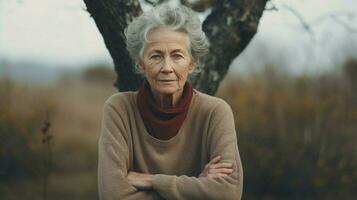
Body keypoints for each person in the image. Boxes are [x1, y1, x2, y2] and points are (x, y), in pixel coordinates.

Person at [98, 3, 243, 200]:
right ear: (141, 64)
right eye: (156, 56)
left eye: (177, 56)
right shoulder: (119, 109)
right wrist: (198, 187)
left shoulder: (215, 112)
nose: (167, 67)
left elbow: (228, 193)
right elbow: (112, 195)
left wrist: (153, 181)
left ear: (192, 63)